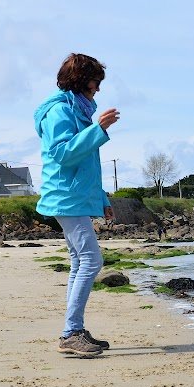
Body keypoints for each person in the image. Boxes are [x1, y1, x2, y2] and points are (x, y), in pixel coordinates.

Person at [34, 53, 120, 357]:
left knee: (78, 262)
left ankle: (72, 331)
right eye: (95, 81)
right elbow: (62, 154)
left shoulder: (78, 109)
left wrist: (102, 199)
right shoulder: (60, 111)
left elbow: (88, 165)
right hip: (65, 198)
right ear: (81, 80)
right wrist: (98, 130)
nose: (98, 88)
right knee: (92, 261)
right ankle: (71, 332)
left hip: (75, 197)